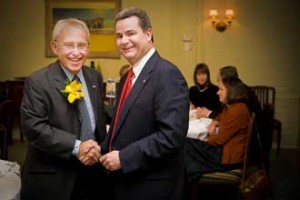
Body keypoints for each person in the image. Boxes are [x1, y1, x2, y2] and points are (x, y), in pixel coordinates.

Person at [99, 7, 190, 200]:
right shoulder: (126, 78)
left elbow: (171, 137)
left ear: (148, 34)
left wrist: (124, 158)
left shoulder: (167, 75)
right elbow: (119, 126)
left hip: (152, 186)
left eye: (130, 33)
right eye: (119, 36)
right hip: (126, 184)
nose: (124, 41)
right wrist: (99, 149)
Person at [20, 18, 109, 200]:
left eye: (82, 45)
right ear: (55, 47)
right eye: (69, 45)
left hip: (93, 172)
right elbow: (34, 128)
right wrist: (78, 147)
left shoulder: (94, 78)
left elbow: (97, 116)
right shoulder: (38, 82)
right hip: (53, 178)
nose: (76, 53)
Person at [184, 76, 251, 183]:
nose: (217, 92)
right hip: (223, 151)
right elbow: (219, 117)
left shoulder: (237, 111)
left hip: (226, 158)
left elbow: (217, 140)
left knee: (185, 146)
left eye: (221, 90)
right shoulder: (232, 107)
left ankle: (185, 182)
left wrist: (209, 137)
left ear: (231, 91)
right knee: (186, 144)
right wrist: (215, 123)